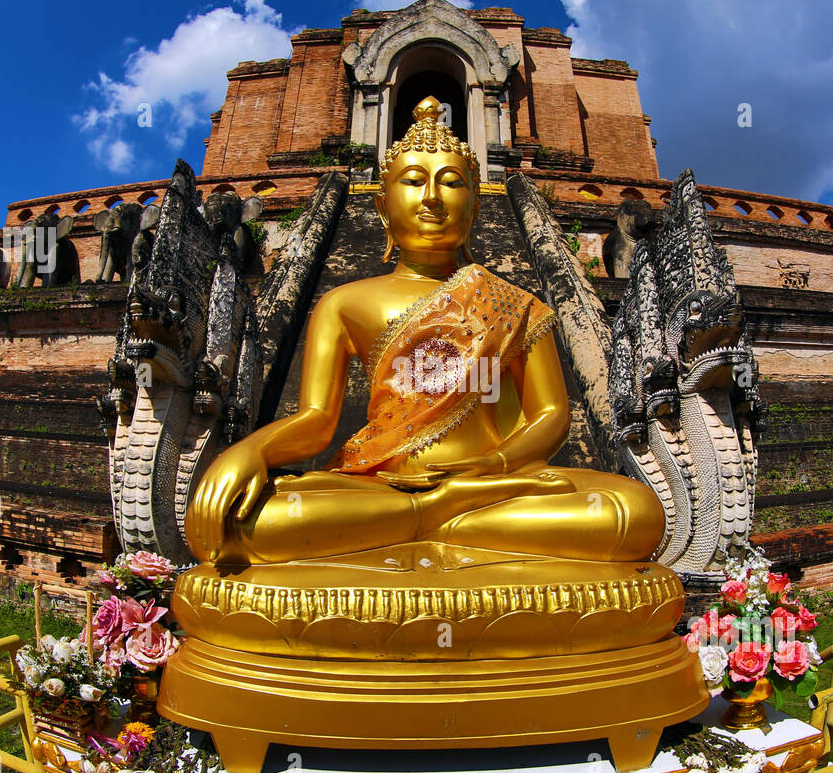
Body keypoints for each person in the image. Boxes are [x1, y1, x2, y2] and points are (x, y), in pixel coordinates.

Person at [185, 97, 664, 566]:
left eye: (452, 183)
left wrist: (490, 467)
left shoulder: (517, 304)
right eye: (413, 181)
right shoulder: (343, 303)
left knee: (634, 511)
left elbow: (551, 415)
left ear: (475, 204)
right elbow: (316, 420)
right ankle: (438, 514)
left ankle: (426, 518)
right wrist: (252, 449)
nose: (432, 198)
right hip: (384, 485)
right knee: (241, 521)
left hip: (492, 486)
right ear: (381, 206)